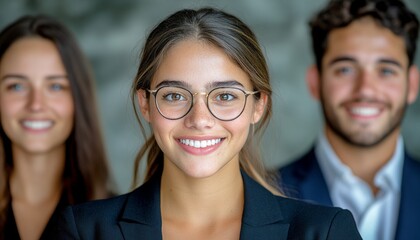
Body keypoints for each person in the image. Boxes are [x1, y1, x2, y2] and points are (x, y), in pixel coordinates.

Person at [54, 7, 361, 239]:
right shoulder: (84, 230)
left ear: (258, 105)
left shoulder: (324, 232)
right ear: (145, 103)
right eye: (175, 96)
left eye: (225, 96)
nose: (199, 119)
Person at [277, 0, 419, 239]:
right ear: (315, 82)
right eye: (345, 69)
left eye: (386, 70)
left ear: (412, 84)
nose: (365, 90)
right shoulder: (265, 196)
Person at [0, 15, 114, 240]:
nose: (36, 104)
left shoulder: (115, 222)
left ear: (78, 99)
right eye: (16, 86)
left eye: (55, 86)